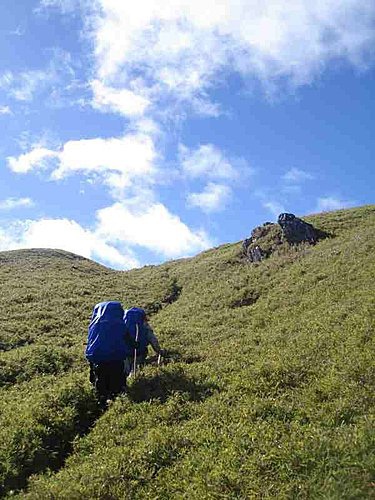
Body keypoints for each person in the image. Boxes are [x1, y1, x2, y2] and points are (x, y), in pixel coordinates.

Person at [85, 301, 129, 404]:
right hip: (115, 359)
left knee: (100, 383)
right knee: (116, 384)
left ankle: (101, 403)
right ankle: (115, 404)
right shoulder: (119, 324)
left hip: (98, 359)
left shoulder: (94, 325)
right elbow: (128, 340)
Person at [123, 307, 164, 378]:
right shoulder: (144, 327)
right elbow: (153, 341)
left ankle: (126, 374)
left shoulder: (122, 326)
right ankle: (133, 373)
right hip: (139, 353)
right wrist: (159, 351)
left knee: (125, 369)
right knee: (135, 366)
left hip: (124, 355)